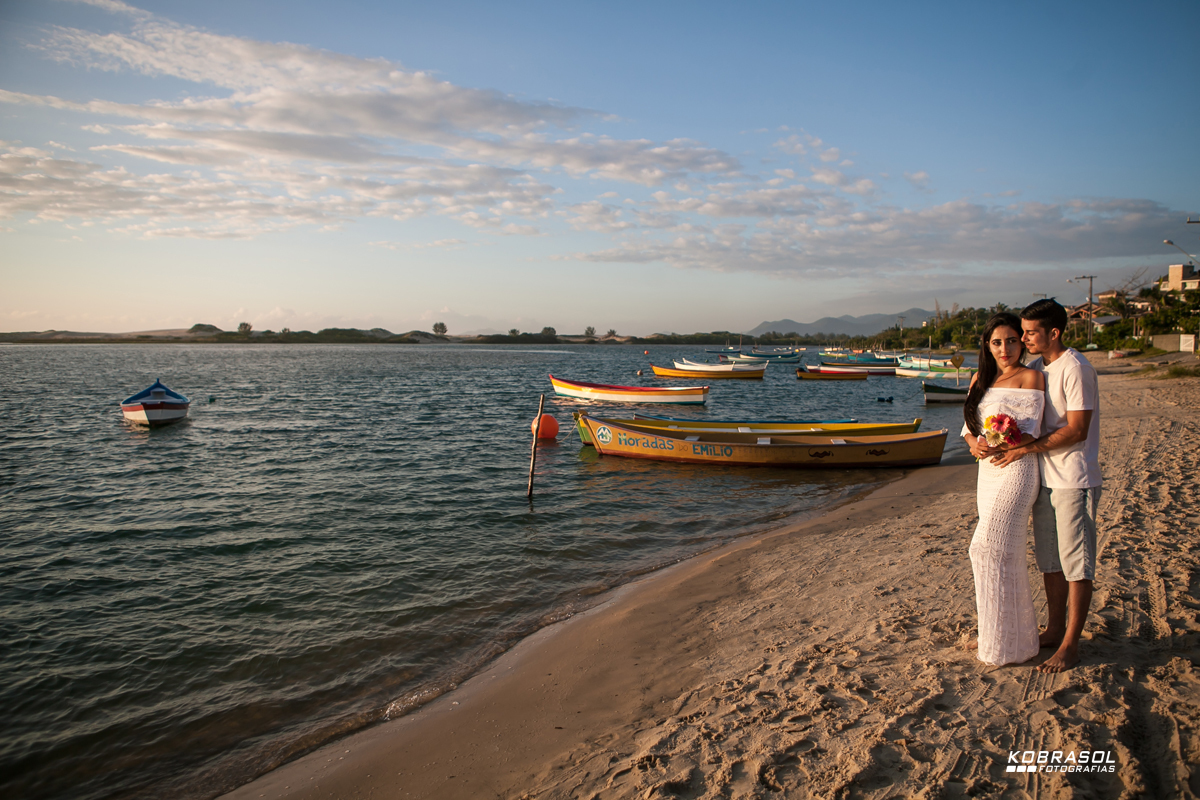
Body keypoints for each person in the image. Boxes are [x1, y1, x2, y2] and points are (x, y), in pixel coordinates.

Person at [990, 299, 1101, 673]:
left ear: (1054, 333)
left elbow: (1077, 429)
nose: (1023, 339)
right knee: (1050, 561)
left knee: (1076, 563)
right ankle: (1054, 630)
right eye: (1022, 332)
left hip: (1073, 478)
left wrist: (1025, 448)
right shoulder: (1038, 367)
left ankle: (1071, 645)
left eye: (1030, 333)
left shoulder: (1076, 368)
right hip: (1044, 478)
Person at [962, 312, 1046, 666]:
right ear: (987, 345)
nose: (1005, 348)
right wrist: (974, 444)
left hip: (1017, 468)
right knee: (1004, 554)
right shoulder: (979, 378)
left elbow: (1033, 430)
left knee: (986, 548)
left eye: (1011, 340)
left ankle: (1008, 641)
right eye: (997, 342)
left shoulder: (1031, 377)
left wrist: (1003, 440)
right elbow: (969, 425)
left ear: (1021, 342)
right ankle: (1005, 639)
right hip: (987, 472)